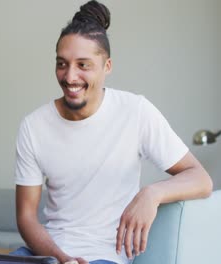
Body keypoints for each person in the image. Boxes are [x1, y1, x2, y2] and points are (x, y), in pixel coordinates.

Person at [13, 1, 213, 264]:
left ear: (107, 66)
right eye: (62, 64)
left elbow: (201, 180)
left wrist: (151, 194)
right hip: (49, 254)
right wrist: (59, 257)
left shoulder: (136, 111)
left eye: (83, 65)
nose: (70, 76)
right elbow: (26, 216)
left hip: (105, 256)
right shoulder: (33, 126)